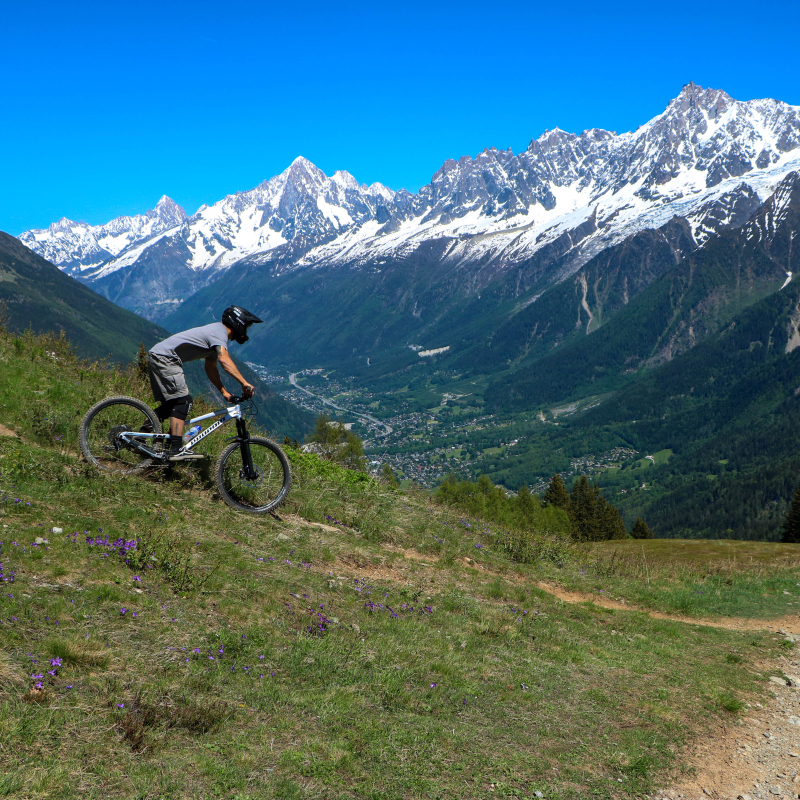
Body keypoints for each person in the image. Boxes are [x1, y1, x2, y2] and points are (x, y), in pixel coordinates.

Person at [146, 306, 263, 461]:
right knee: (183, 401)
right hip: (166, 358)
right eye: (246, 326)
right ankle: (175, 450)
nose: (246, 330)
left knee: (170, 406)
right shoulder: (219, 333)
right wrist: (244, 383)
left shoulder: (217, 335)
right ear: (238, 323)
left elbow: (211, 367)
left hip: (159, 355)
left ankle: (140, 439)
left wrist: (223, 391)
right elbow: (224, 359)